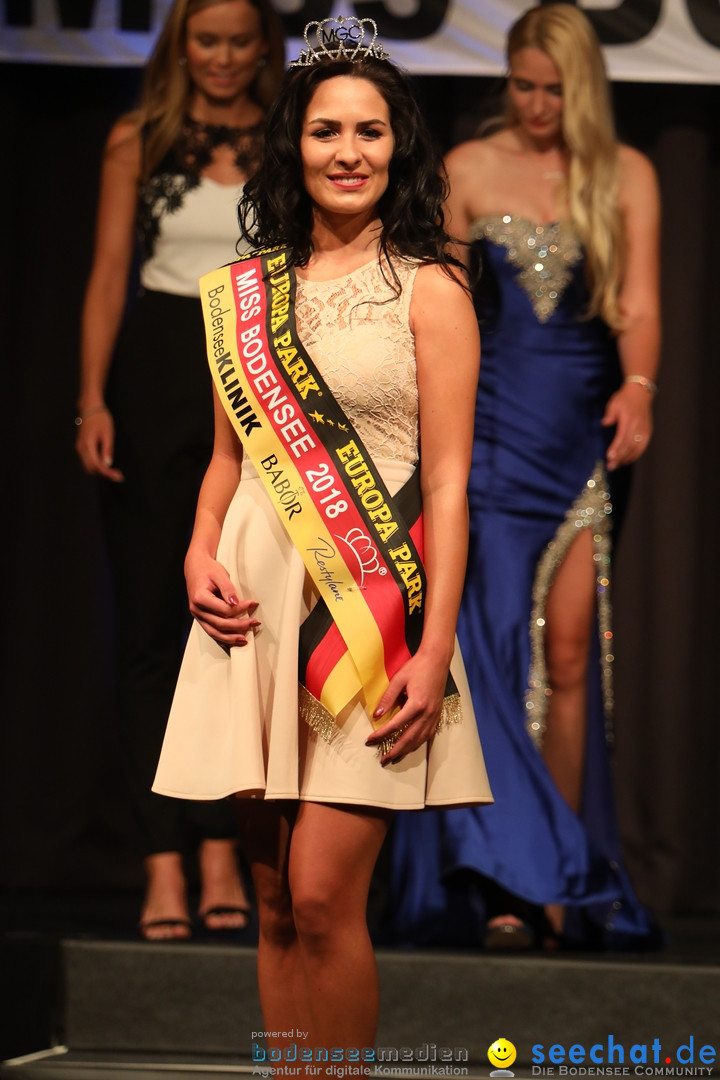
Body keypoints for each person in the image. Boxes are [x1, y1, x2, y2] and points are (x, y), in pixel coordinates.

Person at [153, 16, 491, 1057]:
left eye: (372, 133)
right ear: (293, 147)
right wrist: (196, 552)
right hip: (251, 604)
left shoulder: (432, 289)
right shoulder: (247, 295)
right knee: (272, 898)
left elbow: (446, 481)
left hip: (372, 619)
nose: (349, 152)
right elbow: (224, 462)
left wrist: (434, 652)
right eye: (326, 132)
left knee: (323, 893)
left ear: (401, 148)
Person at [389, 3, 661, 950]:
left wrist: (639, 386)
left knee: (575, 656)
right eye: (524, 85)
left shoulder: (624, 174)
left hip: (578, 438)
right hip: (493, 431)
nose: (539, 105)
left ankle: (566, 881)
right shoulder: (466, 170)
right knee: (492, 656)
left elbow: (639, 305)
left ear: (582, 86)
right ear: (505, 79)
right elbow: (443, 311)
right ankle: (506, 879)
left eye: (557, 88)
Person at [75, 0, 285, 940]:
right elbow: (110, 270)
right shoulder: (139, 135)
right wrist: (93, 399)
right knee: (155, 630)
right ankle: (165, 860)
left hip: (258, 375)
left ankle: (223, 850)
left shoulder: (291, 132)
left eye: (242, 41)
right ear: (179, 44)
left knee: (243, 623)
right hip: (158, 374)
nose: (226, 58)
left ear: (264, 45)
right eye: (208, 40)